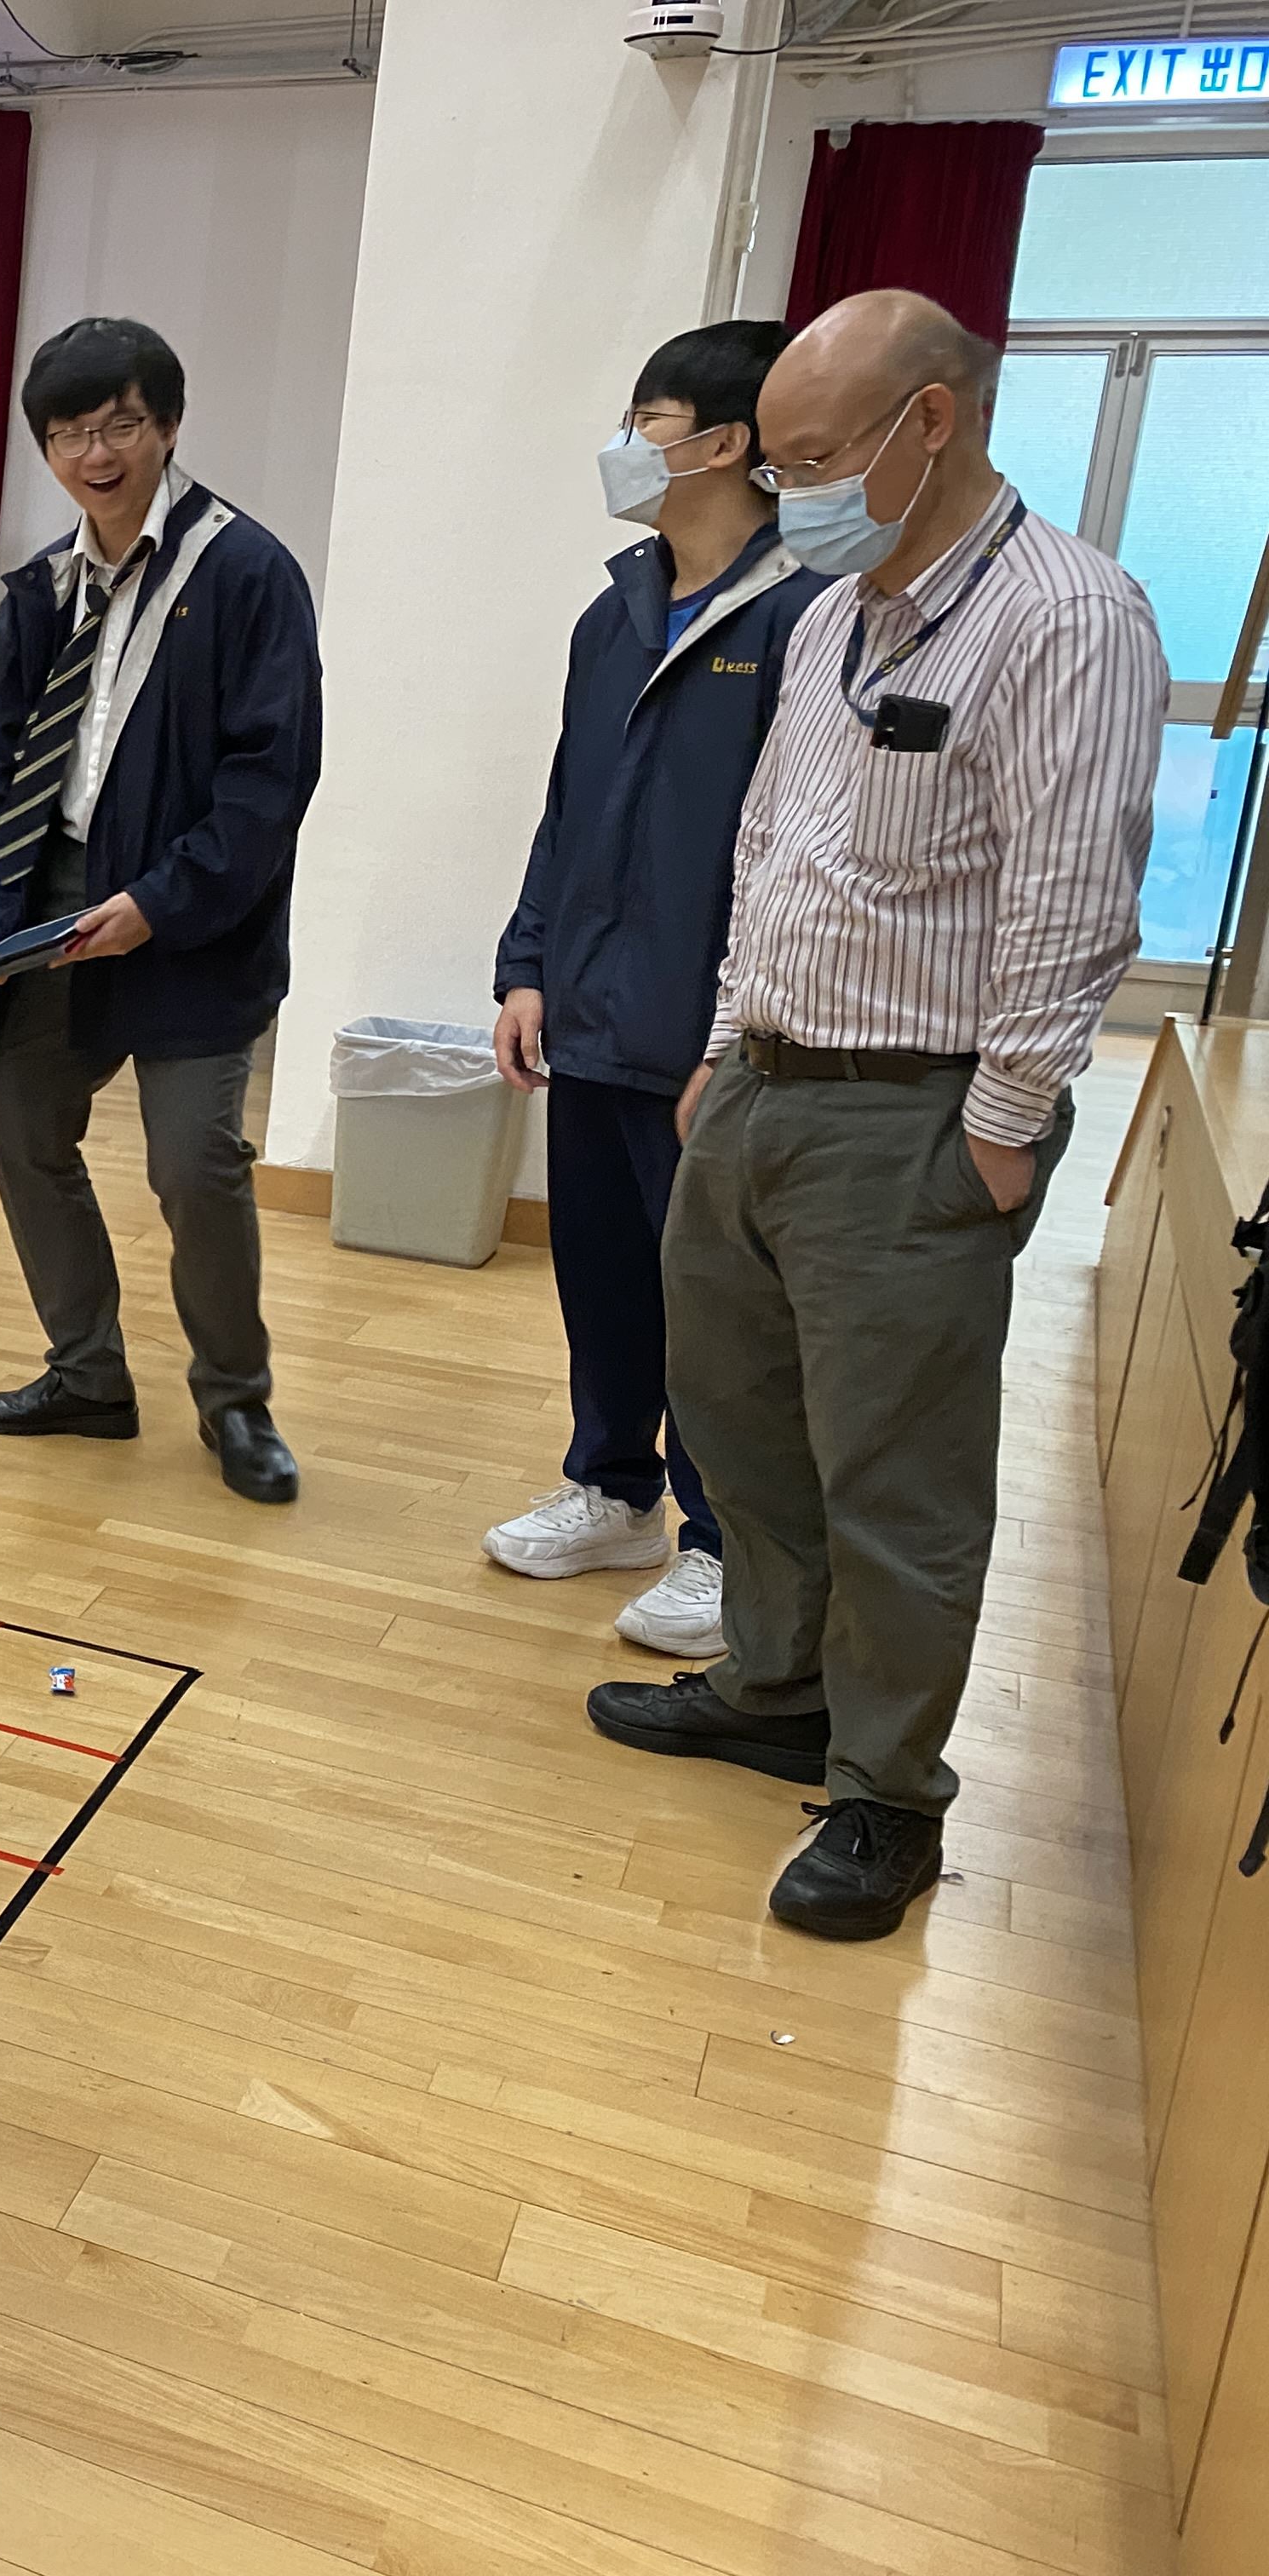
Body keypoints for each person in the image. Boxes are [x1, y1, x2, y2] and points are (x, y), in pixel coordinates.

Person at [587, 290, 1168, 1940]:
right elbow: (771, 844)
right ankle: (777, 1683)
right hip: (763, 1083)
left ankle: (889, 1793)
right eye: (774, 465)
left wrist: (1003, 1119)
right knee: (741, 1425)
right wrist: (723, 1041)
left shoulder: (1069, 617)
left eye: (815, 456)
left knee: (896, 1478)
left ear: (931, 420)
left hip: (915, 1113)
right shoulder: (831, 611)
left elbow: (1071, 898)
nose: (793, 492)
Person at [485, 323, 829, 1659]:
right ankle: (614, 1488)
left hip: (710, 1033)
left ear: (727, 442)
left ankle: (725, 1545)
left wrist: (743, 1028)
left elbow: (802, 851)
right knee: (606, 1273)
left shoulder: (807, 616)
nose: (624, 447)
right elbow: (568, 812)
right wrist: (527, 967)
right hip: (591, 1015)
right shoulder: (614, 613)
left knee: (719, 1308)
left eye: (648, 421)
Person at [0, 316, 324, 1505]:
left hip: (189, 917)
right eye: (69, 434)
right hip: (55, 907)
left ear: (167, 425)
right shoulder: (41, 588)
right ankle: (88, 1374)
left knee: (195, 1163)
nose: (95, 454)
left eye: (119, 425)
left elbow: (270, 783)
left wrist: (160, 904)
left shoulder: (245, 573)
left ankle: (237, 1402)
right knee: (23, 1131)